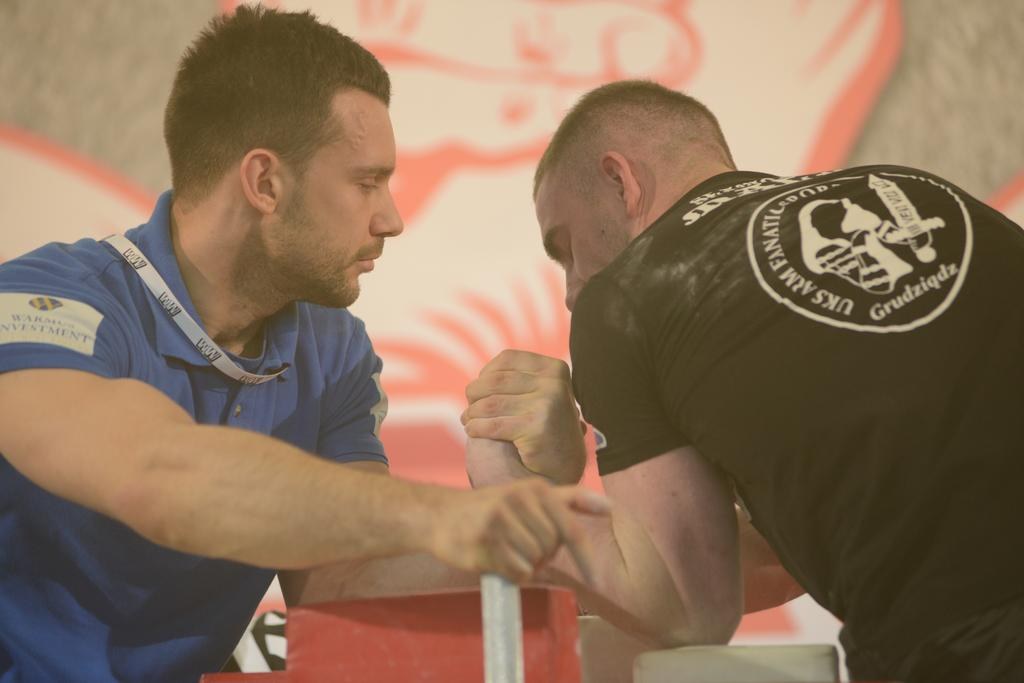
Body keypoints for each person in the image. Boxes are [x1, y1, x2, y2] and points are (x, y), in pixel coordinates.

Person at [0, 7, 611, 681]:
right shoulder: (43, 300)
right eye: (366, 182)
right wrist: (440, 512)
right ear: (265, 183)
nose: (392, 218)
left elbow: (346, 578)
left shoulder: (334, 348)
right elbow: (160, 478)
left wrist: (527, 491)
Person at [462, 79, 1024, 682]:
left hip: (969, 649)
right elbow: (784, 550)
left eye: (566, 247)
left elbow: (688, 608)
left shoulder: (624, 298)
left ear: (620, 181)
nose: (573, 289)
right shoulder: (910, 190)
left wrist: (513, 488)